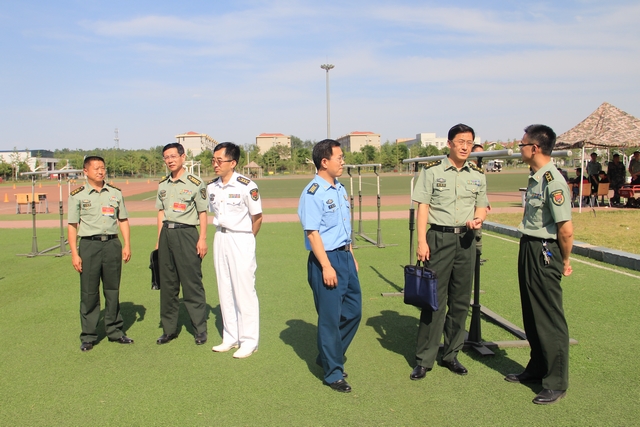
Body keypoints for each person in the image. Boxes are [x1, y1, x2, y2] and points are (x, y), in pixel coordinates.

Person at [410, 124, 487, 381]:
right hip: (439, 238)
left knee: (461, 300)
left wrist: (478, 219)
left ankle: (451, 354)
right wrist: (422, 241)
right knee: (434, 300)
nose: (465, 147)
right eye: (460, 142)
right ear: (449, 143)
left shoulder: (477, 174)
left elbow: (482, 206)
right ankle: (424, 359)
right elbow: (423, 207)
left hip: (466, 240)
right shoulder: (432, 171)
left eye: (469, 142)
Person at [505, 124, 573, 405]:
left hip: (546, 250)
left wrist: (565, 260)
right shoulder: (535, 177)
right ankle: (538, 367)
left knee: (549, 317)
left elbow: (565, 229)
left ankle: (556, 381)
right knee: (532, 313)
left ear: (534, 148)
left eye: (522, 144)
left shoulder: (552, 181)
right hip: (530, 246)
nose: (519, 148)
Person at [297, 139, 362, 393]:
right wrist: (326, 266)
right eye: (339, 157)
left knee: (353, 312)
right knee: (330, 318)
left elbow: (344, 226)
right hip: (326, 259)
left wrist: (351, 255)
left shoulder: (339, 188)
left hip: (344, 256)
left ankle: (328, 355)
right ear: (324, 162)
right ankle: (333, 372)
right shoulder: (313, 193)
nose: (343, 161)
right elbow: (312, 233)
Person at [68, 156, 132, 352]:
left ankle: (115, 330)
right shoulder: (77, 195)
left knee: (112, 290)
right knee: (89, 292)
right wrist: (74, 253)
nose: (100, 171)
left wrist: (127, 244)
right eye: (96, 168)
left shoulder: (115, 193)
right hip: (89, 245)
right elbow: (72, 225)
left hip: (112, 244)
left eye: (102, 168)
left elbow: (123, 220)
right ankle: (88, 335)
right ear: (85, 171)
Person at [207, 142, 263, 359]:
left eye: (219, 160)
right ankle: (230, 337)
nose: (215, 164)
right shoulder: (212, 187)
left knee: (244, 290)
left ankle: (249, 341)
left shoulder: (246, 186)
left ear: (233, 162)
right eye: (213, 160)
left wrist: (247, 238)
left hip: (241, 237)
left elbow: (257, 217)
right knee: (225, 287)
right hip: (220, 236)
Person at [155, 143, 209, 346]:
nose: (170, 160)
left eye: (173, 156)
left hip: (186, 234)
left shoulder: (195, 182)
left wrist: (202, 238)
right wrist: (158, 240)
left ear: (182, 157)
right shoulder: (163, 184)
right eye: (166, 157)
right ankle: (169, 330)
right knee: (168, 284)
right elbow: (161, 212)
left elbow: (202, 212)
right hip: (166, 233)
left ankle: (200, 329)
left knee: (191, 283)